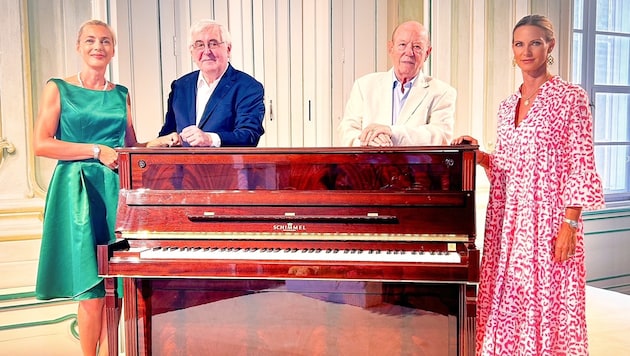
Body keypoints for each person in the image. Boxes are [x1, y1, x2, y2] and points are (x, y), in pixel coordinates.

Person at [452, 14, 605, 355]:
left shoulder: (571, 98)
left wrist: (570, 224)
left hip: (550, 220)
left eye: (535, 42)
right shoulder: (507, 106)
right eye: (519, 44)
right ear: (512, 50)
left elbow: (581, 164)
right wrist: (480, 155)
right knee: (510, 297)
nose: (527, 51)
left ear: (550, 46)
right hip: (509, 222)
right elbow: (507, 167)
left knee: (549, 300)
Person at [33, 20, 159, 356]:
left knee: (115, 287)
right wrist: (94, 150)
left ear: (113, 50)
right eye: (90, 40)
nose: (98, 47)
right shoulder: (58, 88)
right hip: (75, 193)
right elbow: (41, 144)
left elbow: (129, 149)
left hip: (114, 193)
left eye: (105, 41)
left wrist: (160, 143)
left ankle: (110, 353)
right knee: (91, 288)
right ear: (78, 46)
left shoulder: (121, 94)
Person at [337, 20, 456, 147]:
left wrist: (392, 133)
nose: (409, 52)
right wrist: (367, 142)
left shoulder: (442, 92)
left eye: (417, 47)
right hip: (369, 164)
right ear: (390, 48)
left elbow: (440, 136)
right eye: (402, 45)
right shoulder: (364, 86)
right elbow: (347, 130)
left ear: (427, 53)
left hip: (416, 166)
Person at [153, 19, 265, 147]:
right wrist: (166, 141)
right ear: (191, 52)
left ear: (228, 49)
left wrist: (210, 139)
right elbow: (168, 133)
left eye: (213, 44)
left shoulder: (248, 87)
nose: (206, 51)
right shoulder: (180, 86)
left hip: (227, 166)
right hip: (183, 167)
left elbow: (249, 135)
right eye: (199, 45)